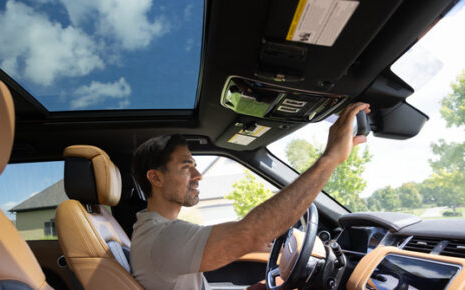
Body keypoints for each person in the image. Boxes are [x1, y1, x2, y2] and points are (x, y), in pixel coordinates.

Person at [130, 102, 371, 290]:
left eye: (195, 165)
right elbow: (252, 233)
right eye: (186, 167)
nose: (198, 175)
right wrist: (330, 158)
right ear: (156, 178)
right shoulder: (162, 237)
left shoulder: (159, 229)